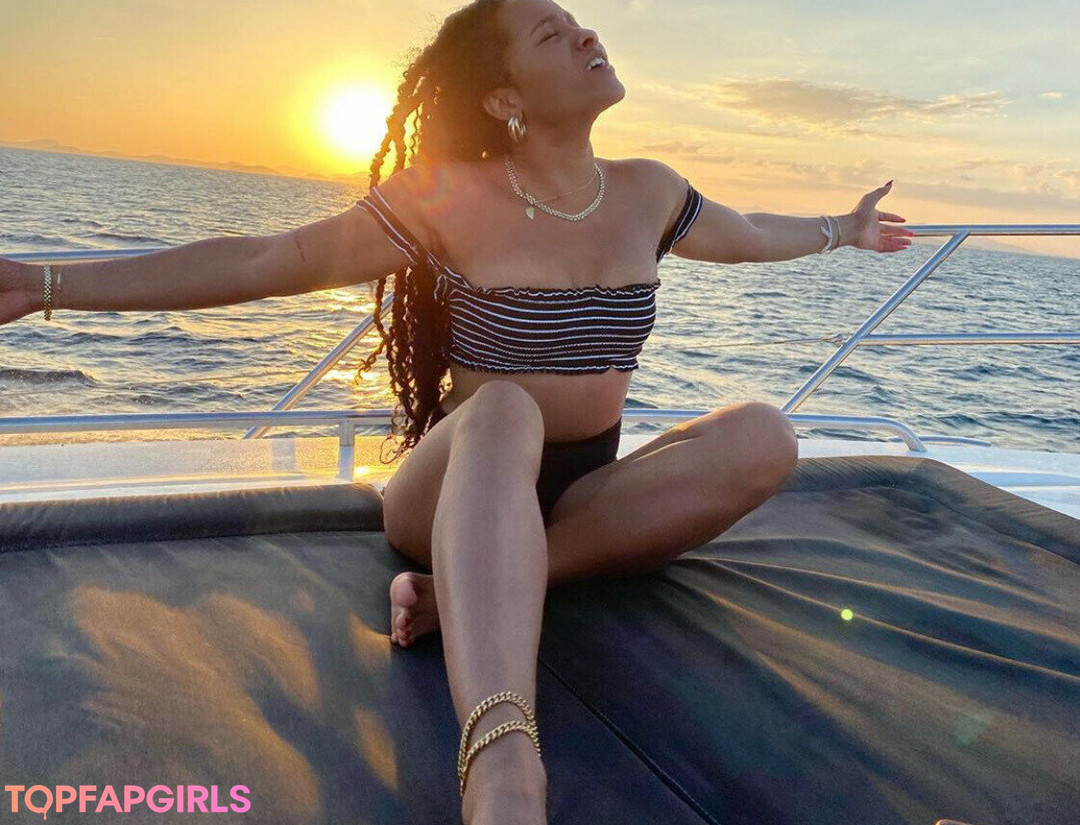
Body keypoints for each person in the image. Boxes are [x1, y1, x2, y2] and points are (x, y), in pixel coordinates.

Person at [0, 1, 913, 821]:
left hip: (582, 497)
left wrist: (847, 229)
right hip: (452, 487)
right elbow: (266, 258)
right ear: (504, 96)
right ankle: (503, 764)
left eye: (578, 22)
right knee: (506, 406)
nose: (587, 34)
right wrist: (46, 284)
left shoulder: (650, 190)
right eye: (552, 33)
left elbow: (750, 236)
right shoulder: (448, 196)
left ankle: (467, 596)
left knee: (764, 433)